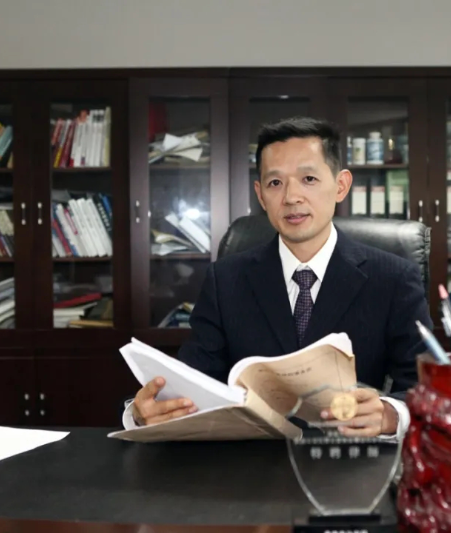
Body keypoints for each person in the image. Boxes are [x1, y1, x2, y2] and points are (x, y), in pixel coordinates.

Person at [123, 117, 433, 439]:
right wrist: (144, 411)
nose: (291, 197)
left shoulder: (393, 278)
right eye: (275, 183)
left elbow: (426, 387)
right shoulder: (226, 279)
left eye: (309, 179)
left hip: (346, 456)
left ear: (341, 186)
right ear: (260, 195)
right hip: (251, 459)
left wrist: (390, 415)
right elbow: (192, 380)